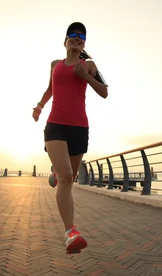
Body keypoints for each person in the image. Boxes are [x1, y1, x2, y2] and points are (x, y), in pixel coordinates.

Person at [32, 22, 108, 254]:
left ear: (84, 43)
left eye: (81, 36)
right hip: (55, 125)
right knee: (66, 178)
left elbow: (104, 92)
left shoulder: (90, 65)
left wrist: (85, 75)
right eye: (72, 35)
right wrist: (39, 106)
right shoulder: (55, 65)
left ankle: (57, 170)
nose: (77, 38)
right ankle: (70, 233)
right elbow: (50, 89)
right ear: (65, 41)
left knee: (69, 176)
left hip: (79, 128)